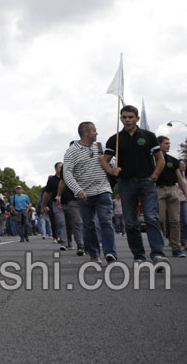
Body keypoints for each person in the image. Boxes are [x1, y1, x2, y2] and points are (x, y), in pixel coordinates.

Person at [103, 105, 167, 264]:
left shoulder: (149, 136)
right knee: (131, 222)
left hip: (147, 181)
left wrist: (154, 176)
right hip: (126, 183)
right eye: (124, 117)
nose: (127, 120)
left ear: (137, 118)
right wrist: (111, 170)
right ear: (120, 118)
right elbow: (104, 160)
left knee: (151, 218)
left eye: (130, 117)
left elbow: (160, 159)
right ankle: (139, 256)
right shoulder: (115, 139)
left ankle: (157, 254)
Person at [63, 121, 117, 262]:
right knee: (89, 225)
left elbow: (113, 162)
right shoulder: (71, 151)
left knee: (106, 222)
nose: (96, 133)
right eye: (94, 131)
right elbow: (67, 173)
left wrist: (108, 162)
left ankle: (110, 253)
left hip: (103, 189)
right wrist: (77, 189)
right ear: (86, 133)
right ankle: (94, 254)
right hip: (85, 194)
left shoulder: (100, 146)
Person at [155, 136, 187, 257]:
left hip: (172, 189)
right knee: (160, 219)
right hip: (158, 189)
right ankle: (160, 244)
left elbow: (180, 180)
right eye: (166, 143)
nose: (168, 145)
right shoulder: (152, 159)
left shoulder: (173, 160)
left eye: (169, 143)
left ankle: (176, 248)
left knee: (175, 220)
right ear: (159, 144)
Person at [40, 162, 83, 254]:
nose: (62, 168)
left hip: (70, 203)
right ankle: (64, 243)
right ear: (56, 169)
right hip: (57, 204)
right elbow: (46, 193)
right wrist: (43, 206)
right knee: (61, 223)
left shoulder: (70, 178)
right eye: (60, 167)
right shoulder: (52, 180)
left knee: (72, 224)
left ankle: (75, 243)